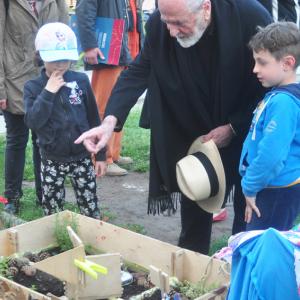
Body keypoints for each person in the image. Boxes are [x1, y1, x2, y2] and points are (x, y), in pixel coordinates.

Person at [75, 0, 272, 254]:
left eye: (179, 23)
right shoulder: (160, 24)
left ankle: (241, 269)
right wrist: (109, 122)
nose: (171, 32)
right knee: (195, 201)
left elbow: (270, 85)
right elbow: (138, 70)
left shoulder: (250, 16)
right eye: (167, 22)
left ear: (205, 8)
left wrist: (234, 126)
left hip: (244, 128)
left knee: (246, 213)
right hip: (193, 128)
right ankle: (191, 270)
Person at [23, 22, 106, 218]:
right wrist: (48, 93)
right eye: (54, 60)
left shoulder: (80, 80)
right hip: (52, 158)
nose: (60, 65)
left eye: (65, 59)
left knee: (90, 205)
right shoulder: (33, 87)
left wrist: (101, 155)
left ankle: (93, 240)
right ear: (41, 56)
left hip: (81, 156)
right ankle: (57, 244)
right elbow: (33, 122)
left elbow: (94, 119)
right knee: (52, 209)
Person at [0, 0, 69, 214]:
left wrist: (66, 77)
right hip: (15, 80)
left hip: (49, 79)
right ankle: (12, 197)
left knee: (45, 139)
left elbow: (65, 39)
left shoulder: (57, 2)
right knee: (16, 139)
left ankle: (46, 195)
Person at [239, 21, 300, 231]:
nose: (255, 69)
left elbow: (271, 155)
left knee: (264, 249)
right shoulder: (277, 96)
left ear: (287, 63)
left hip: (275, 191)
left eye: (261, 62)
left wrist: (250, 187)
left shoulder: (283, 103)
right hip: (269, 186)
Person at [75, 0, 144, 176]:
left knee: (119, 104)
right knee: (103, 106)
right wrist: (89, 45)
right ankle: (101, 157)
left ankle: (113, 153)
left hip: (124, 48)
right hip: (108, 48)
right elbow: (84, 12)